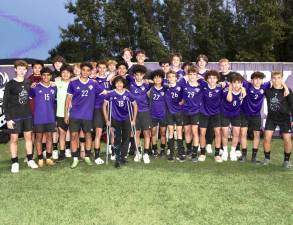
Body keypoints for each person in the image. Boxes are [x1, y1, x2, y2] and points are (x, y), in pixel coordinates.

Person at [64, 62, 103, 169]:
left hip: (87, 115)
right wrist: (66, 114)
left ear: (90, 72)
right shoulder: (73, 83)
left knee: (88, 136)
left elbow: (105, 92)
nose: (85, 72)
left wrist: (121, 90)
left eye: (88, 70)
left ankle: (87, 156)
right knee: (73, 136)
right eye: (84, 70)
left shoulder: (94, 83)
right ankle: (75, 158)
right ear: (80, 70)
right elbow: (68, 100)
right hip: (74, 114)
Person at [3, 60, 38, 173]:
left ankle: (30, 159)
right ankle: (14, 162)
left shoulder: (28, 82)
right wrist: (8, 119)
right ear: (15, 70)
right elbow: (5, 103)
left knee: (28, 138)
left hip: (27, 115)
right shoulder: (10, 84)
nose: (22, 71)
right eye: (20, 69)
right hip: (15, 116)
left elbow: (32, 94)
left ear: (26, 70)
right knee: (14, 139)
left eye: (24, 69)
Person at [103, 76, 138, 168]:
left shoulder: (128, 94)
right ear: (114, 84)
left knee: (126, 138)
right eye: (117, 82)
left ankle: (123, 157)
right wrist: (107, 119)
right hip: (115, 119)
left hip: (126, 118)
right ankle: (117, 159)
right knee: (117, 139)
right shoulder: (110, 94)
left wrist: (133, 119)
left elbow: (135, 105)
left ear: (123, 84)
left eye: (121, 82)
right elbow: (104, 106)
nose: (119, 84)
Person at [262, 71, 293, 169]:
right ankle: (267, 158)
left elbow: (292, 105)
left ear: (282, 79)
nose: (276, 80)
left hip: (284, 118)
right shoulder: (267, 91)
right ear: (271, 79)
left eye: (279, 78)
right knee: (267, 138)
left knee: (287, 139)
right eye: (274, 78)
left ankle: (286, 161)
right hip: (271, 118)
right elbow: (257, 85)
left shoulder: (288, 91)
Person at [239, 72, 271, 162]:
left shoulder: (264, 86)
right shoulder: (247, 85)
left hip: (256, 115)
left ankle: (254, 157)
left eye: (260, 79)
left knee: (257, 135)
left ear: (262, 80)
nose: (258, 81)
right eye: (255, 79)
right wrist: (242, 87)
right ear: (252, 80)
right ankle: (244, 155)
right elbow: (236, 78)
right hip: (244, 114)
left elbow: (274, 80)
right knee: (243, 134)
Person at [29, 67, 57, 167]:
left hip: (50, 117)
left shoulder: (54, 88)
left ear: (51, 76)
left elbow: (55, 103)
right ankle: (40, 158)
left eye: (48, 75)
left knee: (49, 137)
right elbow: (29, 99)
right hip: (38, 117)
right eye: (44, 75)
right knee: (39, 138)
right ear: (41, 76)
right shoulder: (35, 87)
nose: (46, 77)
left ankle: (48, 157)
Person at [127, 65, 152, 163]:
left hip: (145, 111)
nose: (138, 77)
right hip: (134, 112)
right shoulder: (131, 83)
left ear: (143, 75)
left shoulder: (146, 85)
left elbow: (158, 82)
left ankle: (146, 153)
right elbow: (123, 76)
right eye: (136, 75)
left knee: (146, 133)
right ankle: (138, 151)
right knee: (136, 133)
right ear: (134, 75)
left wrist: (149, 81)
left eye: (140, 75)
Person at [221, 73, 246, 162]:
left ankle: (232, 151)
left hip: (236, 114)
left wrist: (243, 90)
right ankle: (225, 152)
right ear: (231, 83)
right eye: (234, 83)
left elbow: (245, 94)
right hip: (225, 113)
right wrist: (230, 90)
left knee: (236, 133)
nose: (237, 85)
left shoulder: (243, 90)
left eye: (239, 83)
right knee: (224, 133)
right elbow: (229, 99)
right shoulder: (226, 90)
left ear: (241, 83)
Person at [198, 70, 222, 162]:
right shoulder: (203, 86)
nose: (212, 80)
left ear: (217, 79)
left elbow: (235, 84)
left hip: (216, 114)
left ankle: (217, 154)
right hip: (204, 113)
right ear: (207, 79)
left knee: (217, 133)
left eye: (214, 78)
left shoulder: (221, 88)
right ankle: (202, 153)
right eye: (210, 78)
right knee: (202, 133)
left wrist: (243, 89)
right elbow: (193, 78)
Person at [180, 66, 202, 162]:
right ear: (187, 75)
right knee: (187, 131)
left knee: (194, 132)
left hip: (196, 112)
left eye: (194, 74)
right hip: (185, 112)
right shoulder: (183, 85)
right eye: (190, 74)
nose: (192, 76)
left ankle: (194, 153)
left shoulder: (201, 86)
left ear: (197, 75)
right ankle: (188, 150)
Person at [93, 60, 111, 165]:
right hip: (98, 108)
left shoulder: (111, 80)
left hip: (110, 108)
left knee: (112, 131)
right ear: (97, 69)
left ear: (106, 69)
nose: (102, 70)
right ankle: (96, 155)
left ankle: (112, 151)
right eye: (100, 67)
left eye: (104, 68)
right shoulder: (93, 80)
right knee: (98, 132)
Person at [164, 70, 185, 161]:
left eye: (173, 76)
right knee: (171, 132)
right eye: (169, 77)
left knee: (179, 132)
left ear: (176, 78)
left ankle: (180, 153)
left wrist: (183, 101)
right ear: (167, 78)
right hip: (169, 113)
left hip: (179, 112)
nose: (171, 78)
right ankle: (171, 153)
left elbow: (186, 96)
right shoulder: (165, 88)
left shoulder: (181, 87)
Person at [55, 64, 72, 161]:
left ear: (71, 74)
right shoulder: (56, 83)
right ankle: (62, 153)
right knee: (62, 134)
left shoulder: (74, 83)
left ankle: (75, 152)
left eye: (67, 72)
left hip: (74, 113)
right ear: (60, 74)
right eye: (63, 72)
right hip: (60, 113)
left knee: (74, 134)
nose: (65, 74)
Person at [149, 69, 167, 157]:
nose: (157, 79)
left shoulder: (166, 88)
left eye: (159, 77)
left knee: (163, 133)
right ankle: (154, 149)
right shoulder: (150, 89)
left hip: (163, 115)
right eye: (155, 78)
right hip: (152, 115)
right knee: (153, 133)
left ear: (162, 79)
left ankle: (163, 149)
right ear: (153, 79)